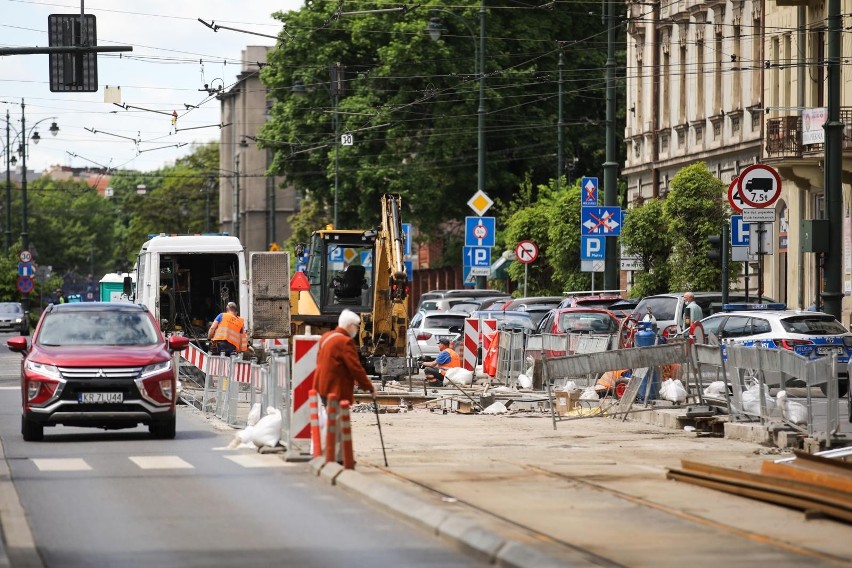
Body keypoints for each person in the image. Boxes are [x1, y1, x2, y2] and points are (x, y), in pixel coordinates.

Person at [313, 309, 376, 462]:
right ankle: (336, 456)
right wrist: (369, 387)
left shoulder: (326, 337)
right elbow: (356, 368)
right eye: (356, 326)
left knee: (333, 420)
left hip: (322, 386)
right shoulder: (345, 342)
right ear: (349, 326)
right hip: (335, 388)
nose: (357, 329)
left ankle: (337, 455)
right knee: (339, 422)